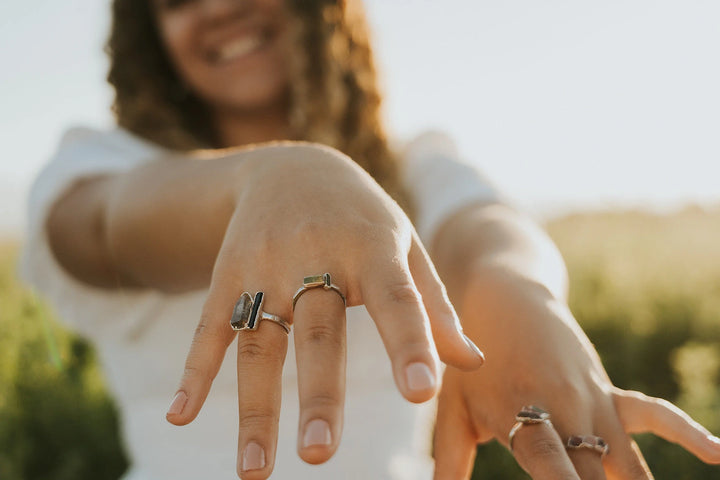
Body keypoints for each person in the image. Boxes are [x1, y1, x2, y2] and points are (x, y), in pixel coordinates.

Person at [21, 0, 720, 479]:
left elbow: (486, 227)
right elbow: (104, 228)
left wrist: (517, 294)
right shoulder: (99, 165)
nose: (217, 6)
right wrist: (276, 176)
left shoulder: (410, 166)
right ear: (153, 38)